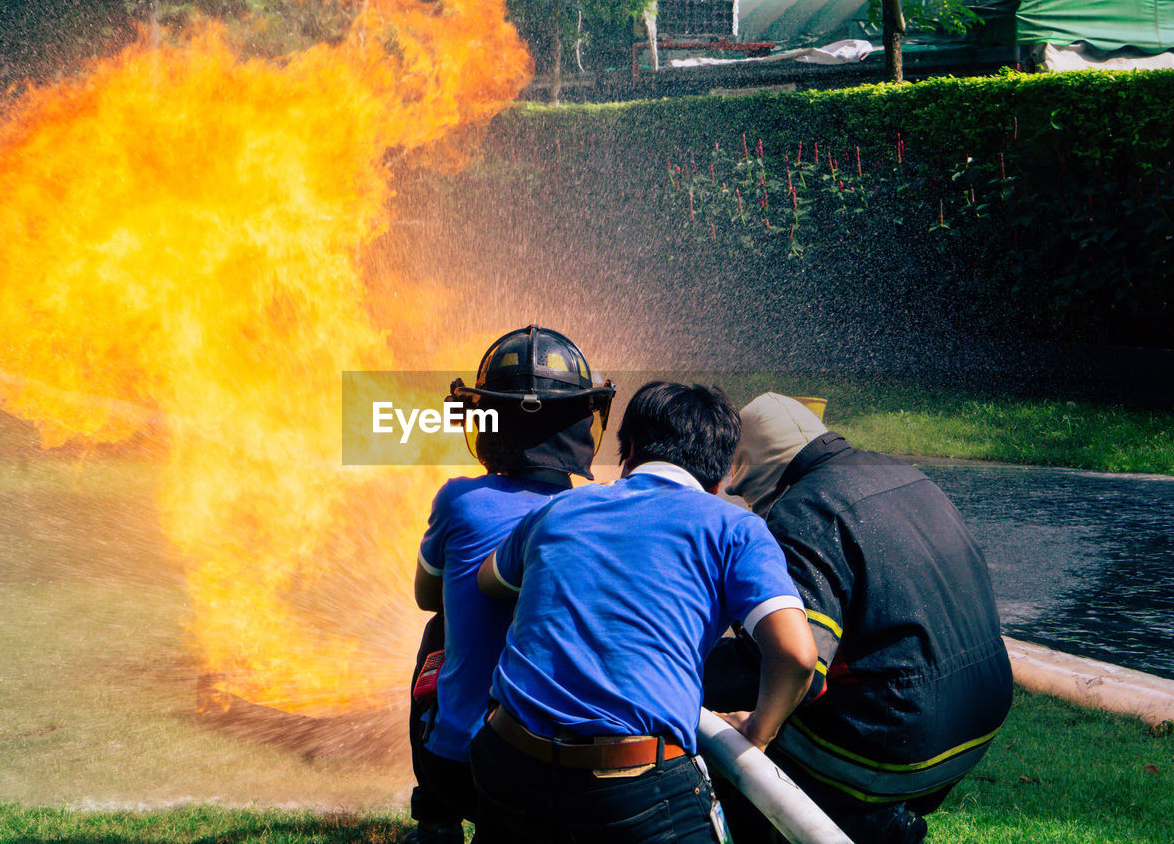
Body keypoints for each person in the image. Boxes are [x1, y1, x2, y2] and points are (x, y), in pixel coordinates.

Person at [471, 381, 817, 844]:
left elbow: (489, 581)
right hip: (629, 788)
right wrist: (759, 730)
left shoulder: (561, 508)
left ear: (628, 450)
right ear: (720, 477)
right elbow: (796, 654)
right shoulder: (735, 528)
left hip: (507, 764)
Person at [703, 392, 1014, 844]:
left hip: (900, 738)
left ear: (762, 476)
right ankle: (881, 821)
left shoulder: (804, 510)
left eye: (747, 493)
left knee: (733, 751)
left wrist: (735, 713)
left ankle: (867, 821)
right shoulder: (899, 471)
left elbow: (795, 662)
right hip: (980, 718)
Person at [403, 325, 615, 844]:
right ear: (584, 422)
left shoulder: (459, 500)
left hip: (462, 768)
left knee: (438, 631)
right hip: (560, 771)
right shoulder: (602, 513)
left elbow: (427, 597)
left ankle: (436, 819)